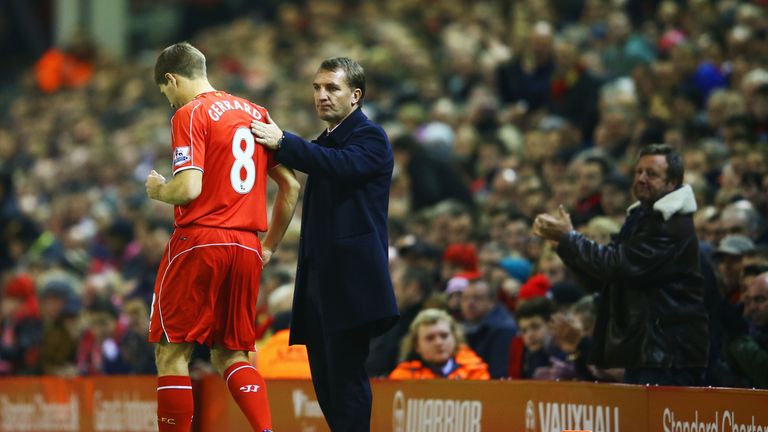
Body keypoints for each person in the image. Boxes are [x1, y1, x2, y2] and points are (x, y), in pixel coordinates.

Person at [146, 42, 299, 432]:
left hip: (200, 240)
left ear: (171, 78)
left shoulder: (189, 112)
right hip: (246, 246)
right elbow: (291, 187)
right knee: (232, 353)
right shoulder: (255, 112)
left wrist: (159, 190)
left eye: (165, 92)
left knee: (171, 351)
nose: (168, 100)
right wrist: (269, 247)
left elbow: (188, 189)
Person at [250, 57, 398, 432]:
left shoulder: (370, 137)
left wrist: (283, 141)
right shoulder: (326, 142)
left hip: (351, 285)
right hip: (320, 283)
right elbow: (322, 158)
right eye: (317, 88)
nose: (322, 95)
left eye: (332, 88)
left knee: (346, 384)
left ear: (356, 96)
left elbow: (339, 165)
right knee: (327, 387)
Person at [533, 144, 708, 386]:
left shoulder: (670, 223)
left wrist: (571, 239)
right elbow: (605, 279)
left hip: (667, 355)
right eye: (639, 172)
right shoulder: (640, 218)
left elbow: (620, 266)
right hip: (644, 352)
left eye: (652, 174)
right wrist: (564, 245)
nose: (642, 179)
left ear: (672, 183)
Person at [389, 308, 489, 380]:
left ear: (455, 338)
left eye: (444, 336)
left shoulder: (475, 371)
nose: (439, 342)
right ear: (417, 345)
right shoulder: (402, 377)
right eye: (430, 338)